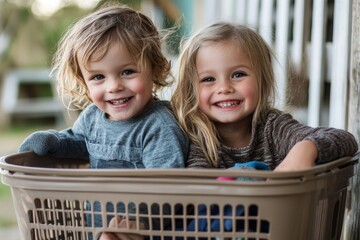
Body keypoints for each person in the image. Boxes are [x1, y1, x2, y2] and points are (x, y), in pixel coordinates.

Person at [18, 4, 189, 240]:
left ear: (155, 69)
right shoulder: (92, 117)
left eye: (127, 71)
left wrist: (132, 225)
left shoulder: (158, 125)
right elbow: (79, 142)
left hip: (146, 232)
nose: (114, 86)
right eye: (98, 77)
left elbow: (168, 191)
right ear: (84, 83)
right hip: (97, 231)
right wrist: (53, 142)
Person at [171, 22, 358, 170]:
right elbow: (199, 192)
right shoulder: (197, 138)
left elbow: (345, 139)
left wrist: (305, 149)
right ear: (190, 89)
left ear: (263, 80)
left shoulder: (273, 127)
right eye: (208, 79)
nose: (224, 88)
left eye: (238, 75)